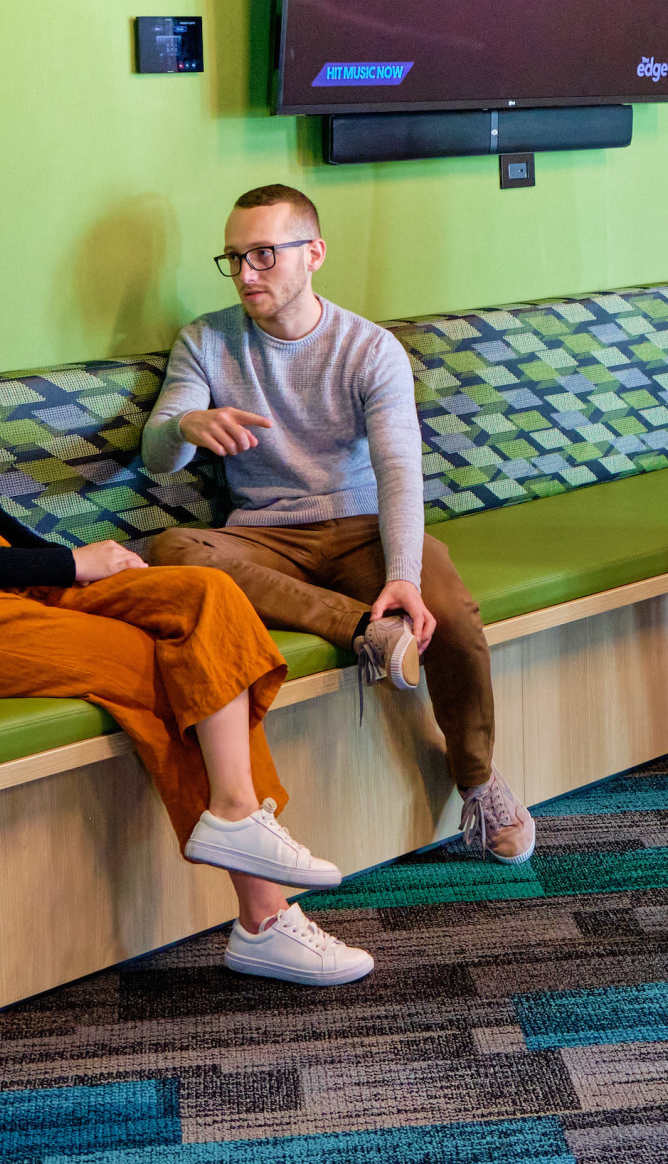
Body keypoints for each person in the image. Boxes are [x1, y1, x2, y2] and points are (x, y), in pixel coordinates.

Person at [0, 204, 372, 987]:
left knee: (204, 597)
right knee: (154, 662)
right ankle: (265, 917)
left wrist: (76, 560)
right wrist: (72, 566)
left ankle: (238, 813)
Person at [142, 184, 536, 863]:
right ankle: (365, 632)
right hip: (266, 537)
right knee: (173, 549)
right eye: (233, 258)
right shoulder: (206, 341)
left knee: (451, 613)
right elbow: (156, 454)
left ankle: (476, 777)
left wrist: (404, 577)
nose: (246, 274)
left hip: (362, 526)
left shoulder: (369, 349)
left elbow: (398, 470)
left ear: (314, 253)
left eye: (264, 254)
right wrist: (186, 425)